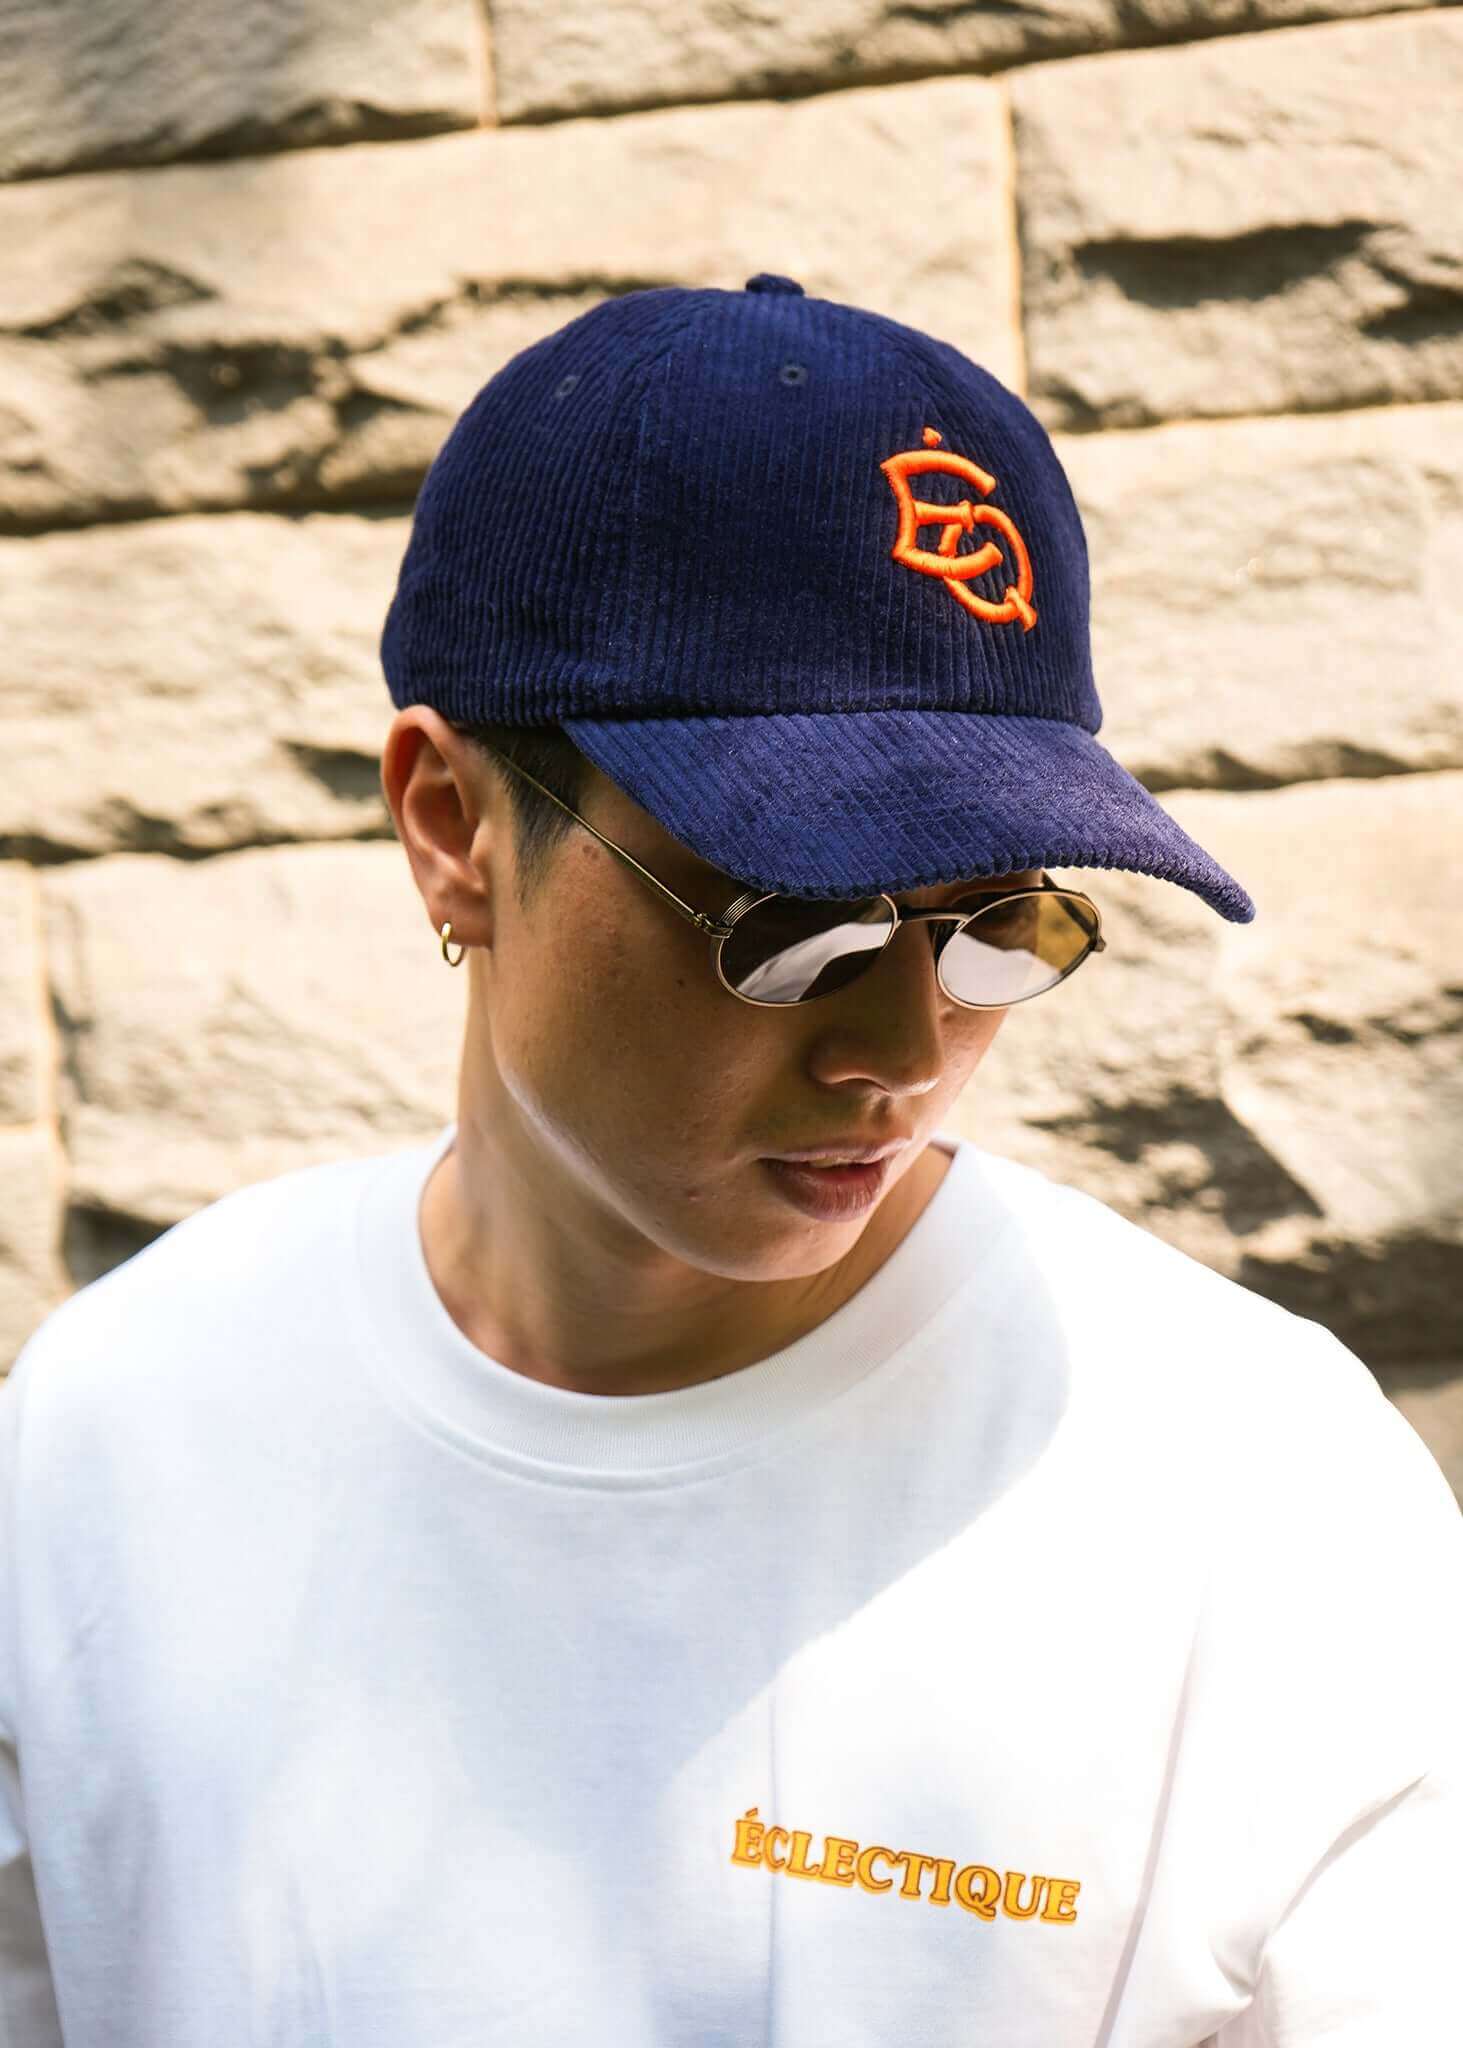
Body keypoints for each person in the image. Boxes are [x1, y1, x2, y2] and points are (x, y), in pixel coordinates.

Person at [1, 275, 1458, 2047]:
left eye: (1002, 921)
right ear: (453, 827)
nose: (907, 1053)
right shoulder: (112, 1442)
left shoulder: (1253, 1493)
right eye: (797, 924)